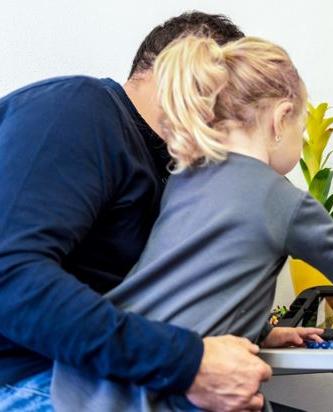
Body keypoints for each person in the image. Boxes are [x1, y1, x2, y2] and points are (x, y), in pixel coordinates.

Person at [49, 34, 333, 411]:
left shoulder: (184, 178)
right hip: (178, 393)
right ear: (280, 119)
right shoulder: (280, 198)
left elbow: (192, 281)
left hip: (101, 381)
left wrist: (264, 331)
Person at [0, 11, 284, 412]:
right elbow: (9, 276)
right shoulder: (80, 109)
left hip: (89, 377)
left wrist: (253, 327)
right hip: (24, 379)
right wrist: (189, 362)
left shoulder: (171, 170)